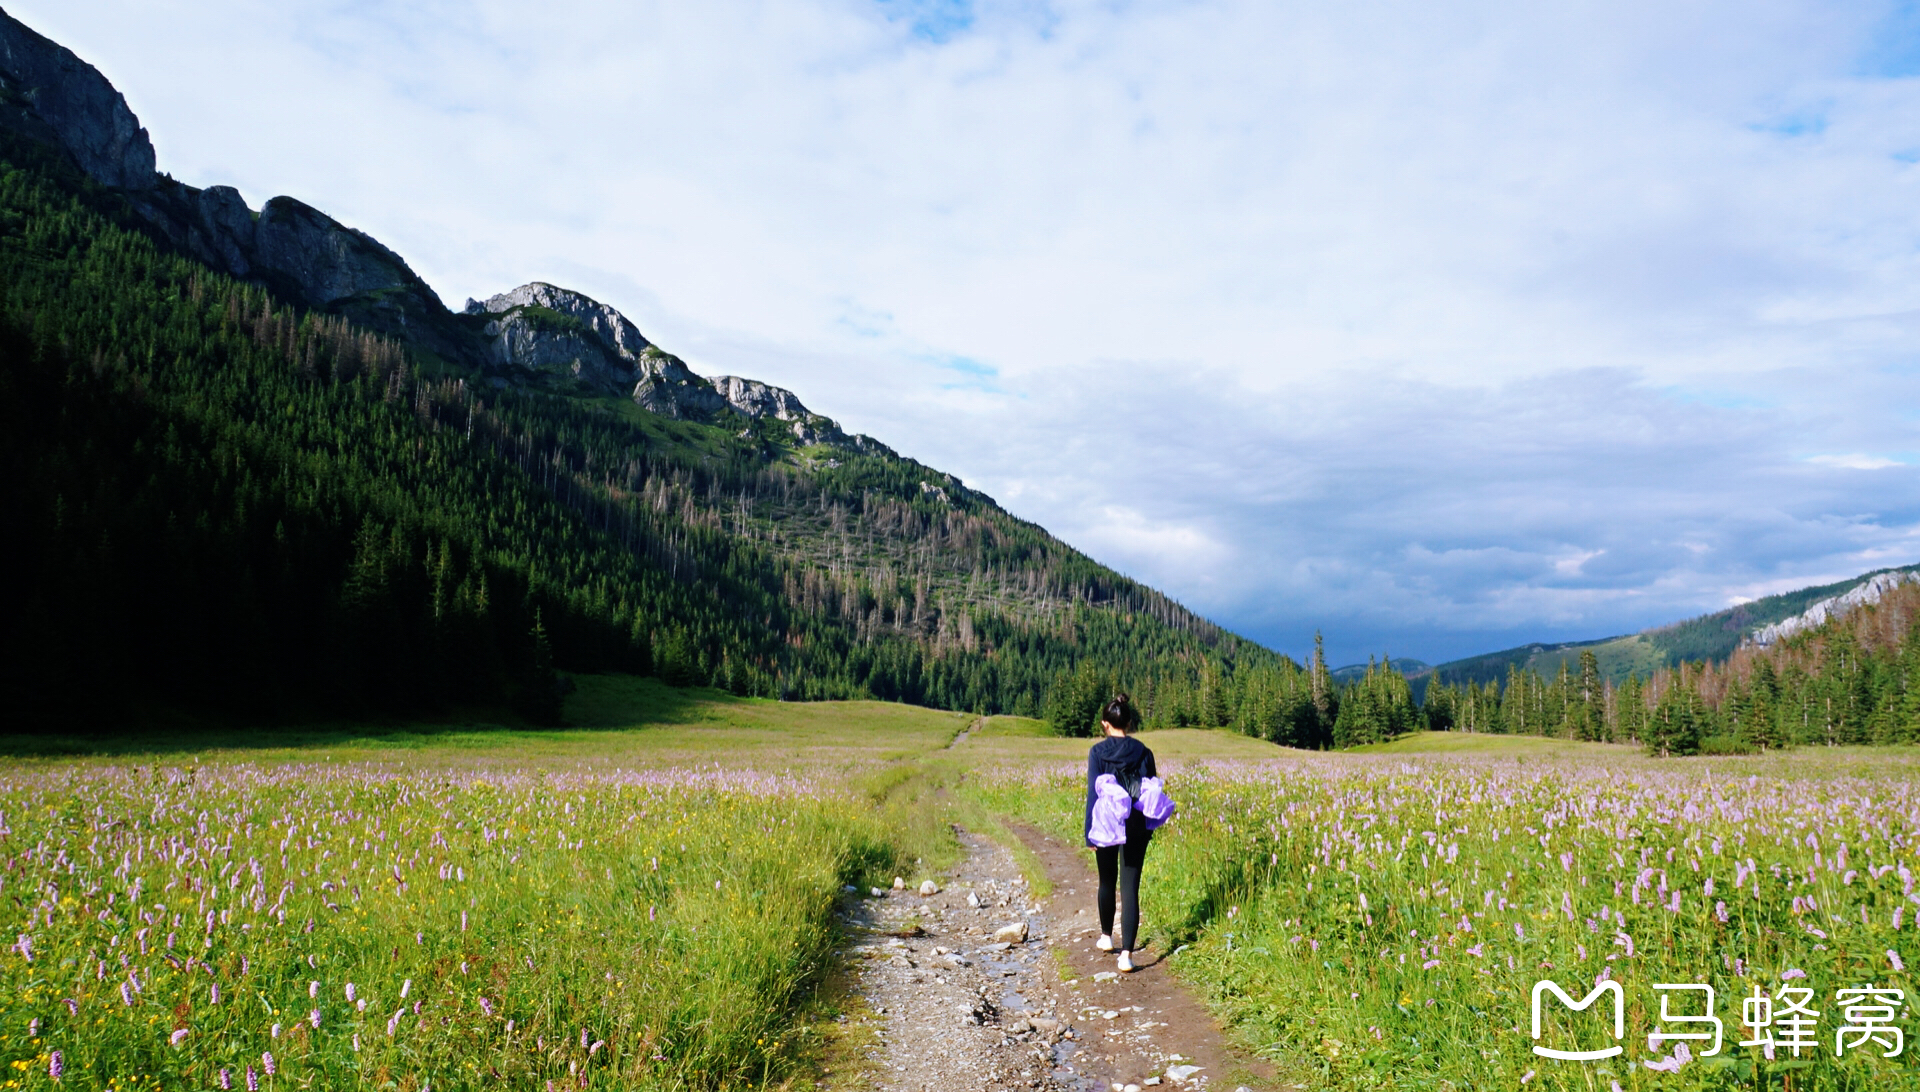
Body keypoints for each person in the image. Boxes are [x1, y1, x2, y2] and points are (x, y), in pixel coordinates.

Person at [1083, 692, 1156, 972]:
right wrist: (1149, 828)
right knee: (1130, 888)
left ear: (1105, 723)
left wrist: (1089, 833)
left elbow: (1093, 792)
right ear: (1129, 721)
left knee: (1106, 881)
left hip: (1105, 823)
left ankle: (1105, 937)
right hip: (1136, 824)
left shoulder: (1097, 752)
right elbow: (1151, 790)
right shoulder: (1143, 751)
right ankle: (1126, 955)